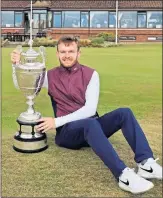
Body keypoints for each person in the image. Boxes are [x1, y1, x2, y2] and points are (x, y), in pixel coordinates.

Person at [11, 35, 162, 194]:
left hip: (92, 129)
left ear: (78, 53)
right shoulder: (49, 76)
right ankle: (123, 175)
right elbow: (24, 86)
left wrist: (55, 121)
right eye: (63, 51)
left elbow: (90, 110)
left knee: (124, 113)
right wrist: (16, 65)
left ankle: (146, 163)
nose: (67, 55)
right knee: (90, 123)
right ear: (57, 54)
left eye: (71, 51)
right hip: (68, 134)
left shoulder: (91, 74)